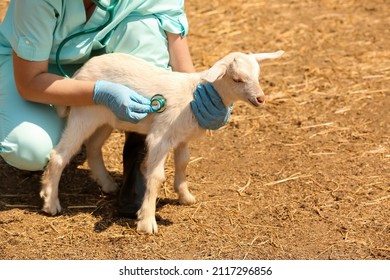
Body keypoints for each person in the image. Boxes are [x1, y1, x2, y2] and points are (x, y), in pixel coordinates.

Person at [0, 0, 231, 217]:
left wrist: (208, 98)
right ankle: (77, 126)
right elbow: (30, 82)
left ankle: (138, 157)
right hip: (33, 66)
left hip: (106, 61)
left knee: (143, 28)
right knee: (29, 148)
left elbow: (182, 69)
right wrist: (99, 93)